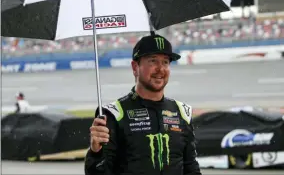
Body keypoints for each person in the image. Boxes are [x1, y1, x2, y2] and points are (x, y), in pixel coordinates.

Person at [84, 34, 202, 175]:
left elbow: (191, 168)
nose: (160, 69)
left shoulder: (182, 112)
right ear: (135, 67)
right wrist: (95, 152)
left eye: (165, 62)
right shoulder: (113, 114)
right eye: (153, 61)